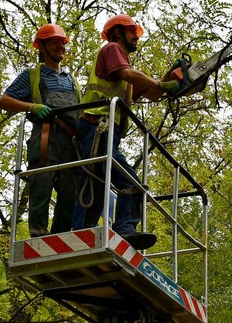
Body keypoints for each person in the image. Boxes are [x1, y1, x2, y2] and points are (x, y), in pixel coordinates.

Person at [72, 14, 181, 249]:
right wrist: (160, 83)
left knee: (96, 183)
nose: (136, 37)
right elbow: (129, 75)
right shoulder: (112, 50)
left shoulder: (125, 71)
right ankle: (123, 228)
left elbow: (153, 93)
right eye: (133, 32)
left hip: (105, 132)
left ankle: (83, 231)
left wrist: (170, 77)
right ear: (118, 32)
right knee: (129, 182)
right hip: (97, 127)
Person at [0, 23, 80, 237]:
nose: (60, 46)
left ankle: (60, 238)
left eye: (62, 42)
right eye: (53, 42)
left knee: (71, 194)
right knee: (41, 190)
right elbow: (4, 101)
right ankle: (39, 237)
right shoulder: (32, 76)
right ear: (41, 47)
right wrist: (32, 106)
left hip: (70, 143)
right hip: (45, 140)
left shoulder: (72, 81)